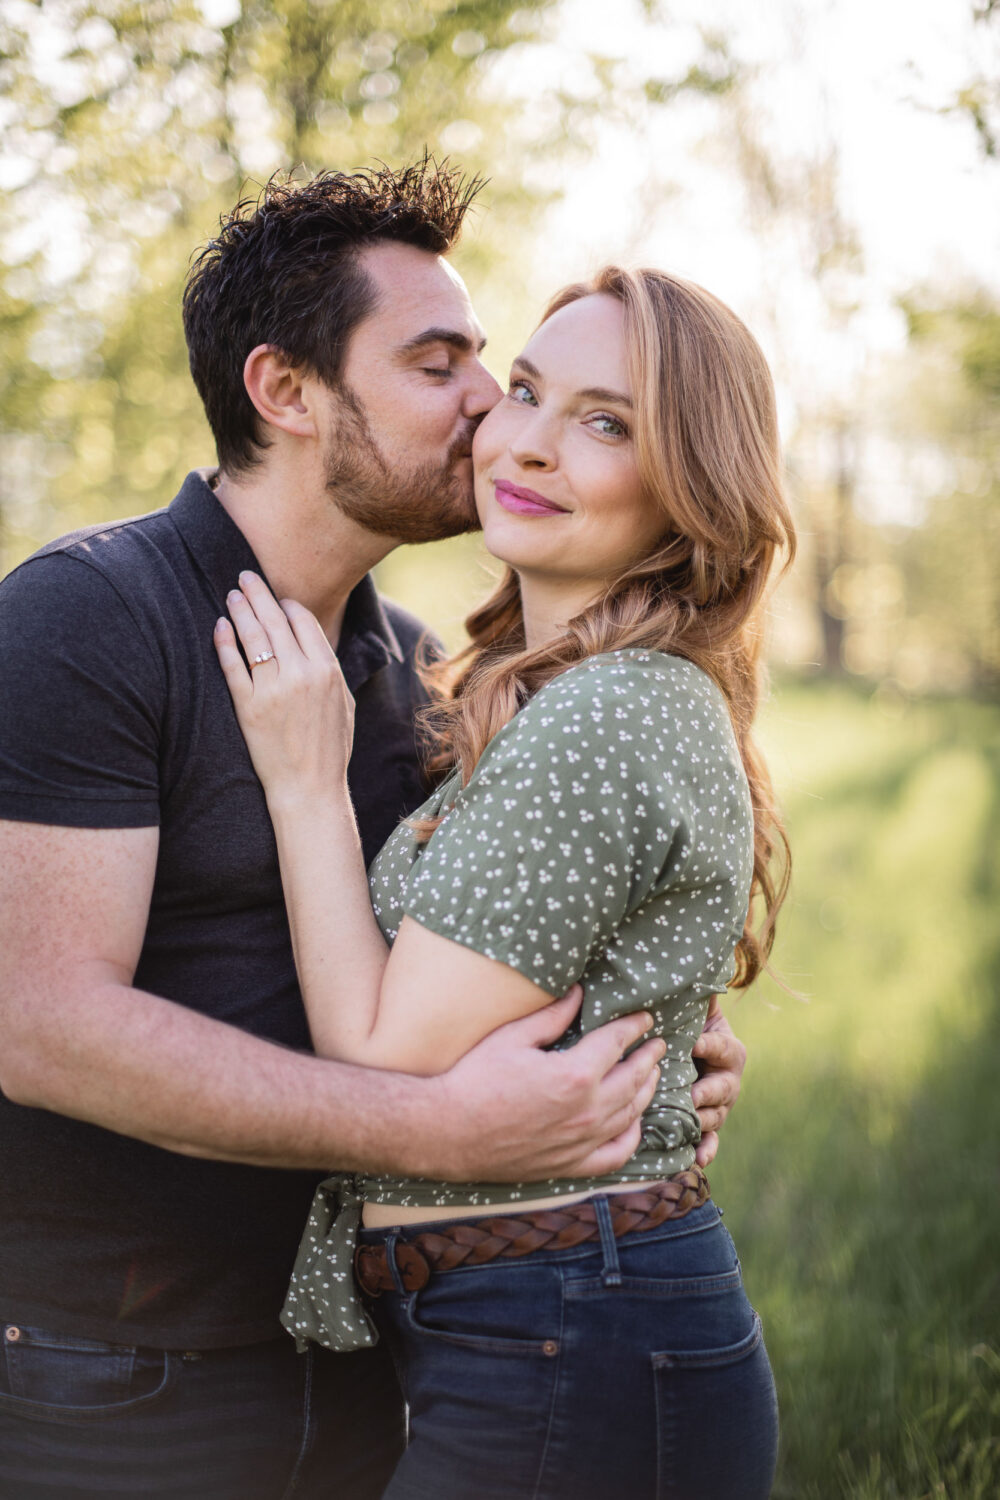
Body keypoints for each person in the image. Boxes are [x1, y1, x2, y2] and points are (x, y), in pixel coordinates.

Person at [0, 164, 747, 1500]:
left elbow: (462, 958)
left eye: (489, 365)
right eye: (440, 362)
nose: (485, 406)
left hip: (366, 1353)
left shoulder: (419, 676)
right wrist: (442, 1135)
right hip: (117, 1372)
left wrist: (646, 1048)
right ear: (287, 394)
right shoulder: (88, 617)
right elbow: (37, 1022)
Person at [215, 262, 794, 1498]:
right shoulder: (547, 698)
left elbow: (383, 1062)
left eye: (606, 424)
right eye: (524, 390)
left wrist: (306, 785)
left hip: (573, 1334)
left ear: (690, 488)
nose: (523, 442)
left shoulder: (614, 710)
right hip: (536, 1325)